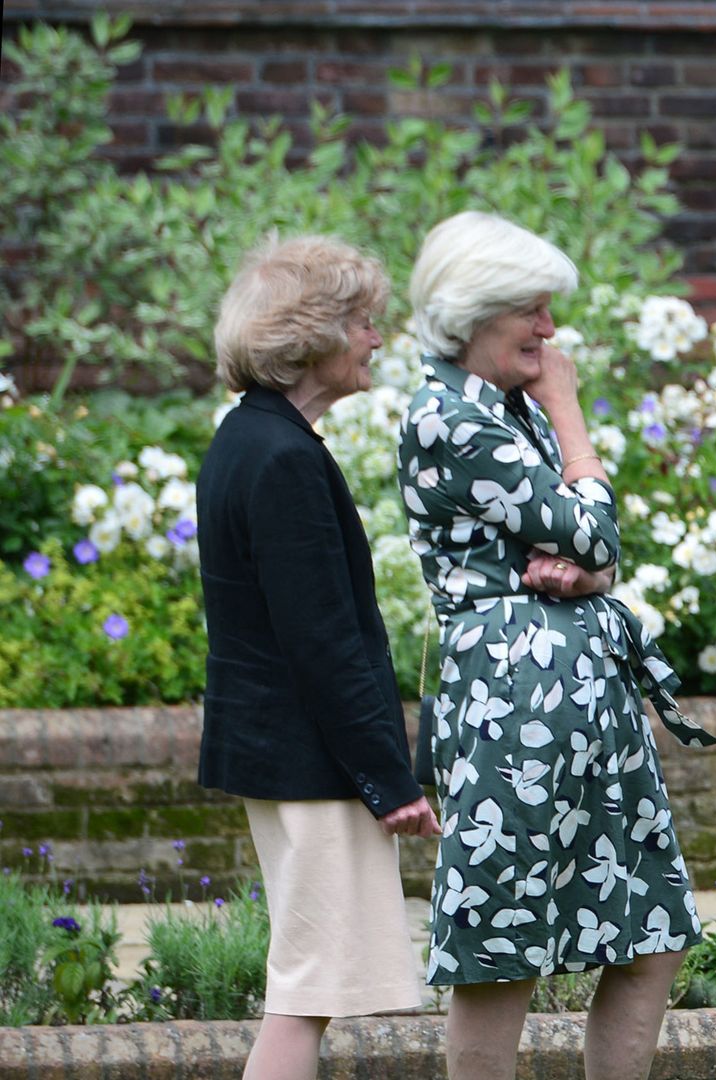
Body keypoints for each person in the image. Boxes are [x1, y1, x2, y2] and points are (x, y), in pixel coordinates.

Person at [397, 210, 716, 1080]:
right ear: (474, 310)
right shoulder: (448, 419)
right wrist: (570, 414)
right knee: (501, 952)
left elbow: (597, 553)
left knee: (650, 932)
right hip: (511, 713)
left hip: (584, 706)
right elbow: (593, 526)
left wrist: (592, 573)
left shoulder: (502, 407)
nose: (549, 330)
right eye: (532, 310)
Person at [197, 235, 441, 1080]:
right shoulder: (282, 456)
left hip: (290, 757)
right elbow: (322, 643)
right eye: (364, 322)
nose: (377, 339)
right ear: (312, 335)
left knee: (309, 989)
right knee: (303, 996)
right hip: (311, 764)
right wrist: (389, 779)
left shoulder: (248, 439)